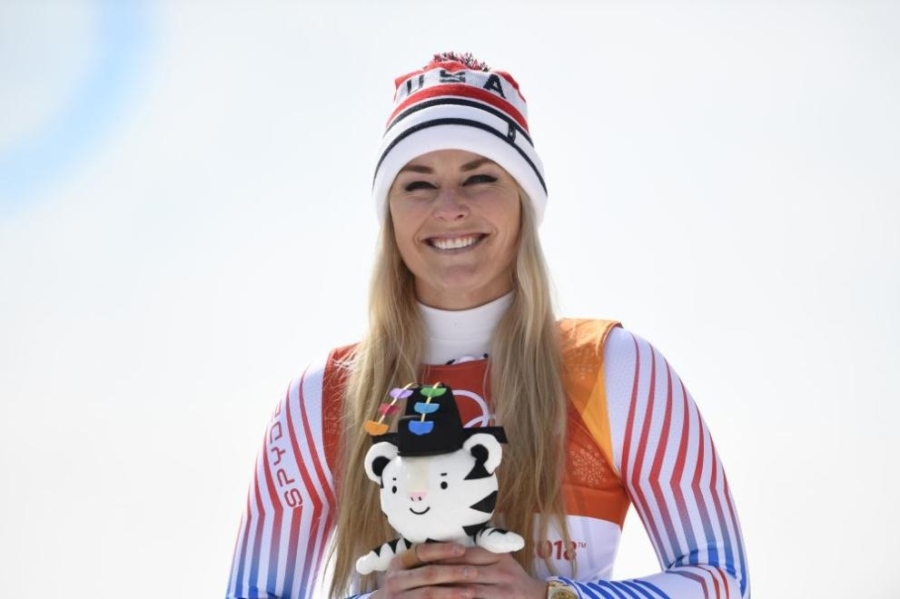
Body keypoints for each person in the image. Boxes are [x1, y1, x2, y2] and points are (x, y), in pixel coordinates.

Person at [225, 52, 750, 599]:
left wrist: (549, 596)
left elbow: (724, 581)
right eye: (418, 185)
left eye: (480, 178)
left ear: (524, 201)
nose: (451, 208)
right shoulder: (325, 395)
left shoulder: (615, 370)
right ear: (390, 214)